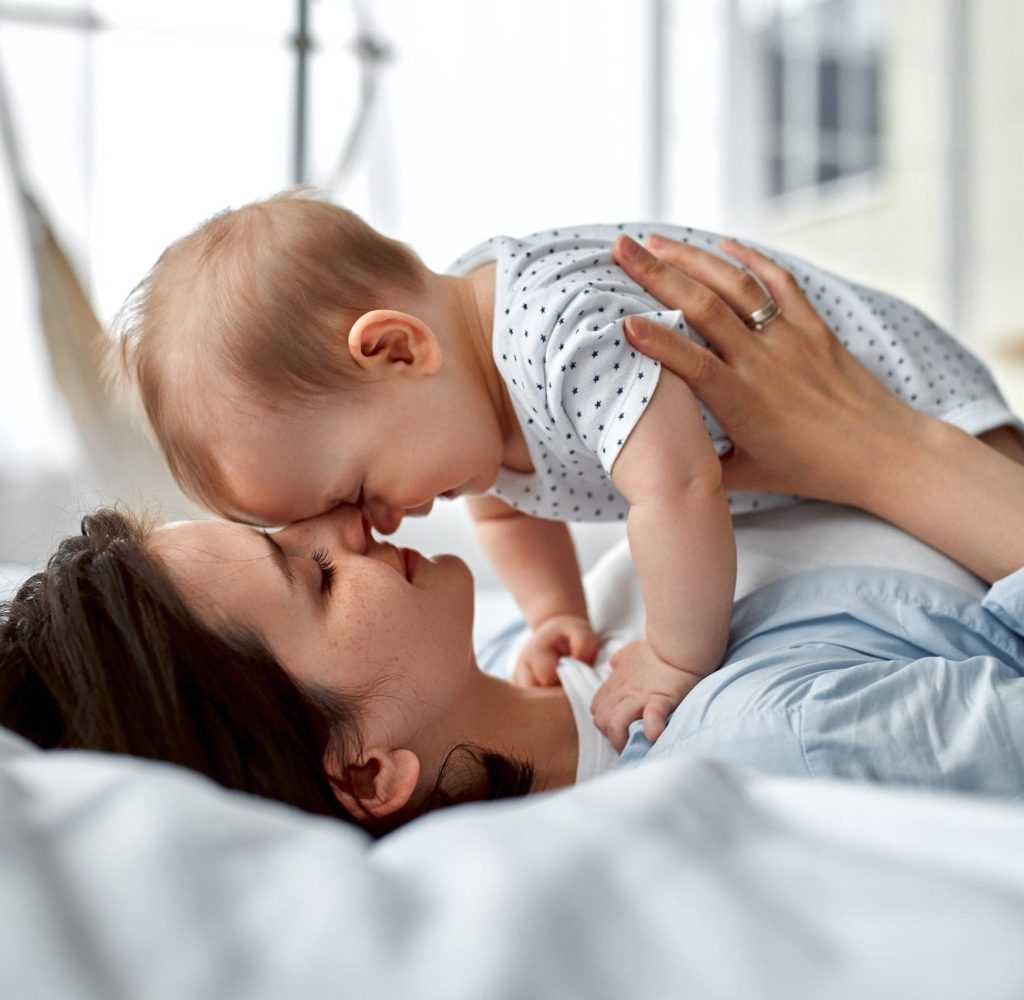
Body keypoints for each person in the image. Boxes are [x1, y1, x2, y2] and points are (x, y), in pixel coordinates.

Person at [4, 236, 1024, 839]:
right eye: (308, 571)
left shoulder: (523, 648)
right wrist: (884, 454)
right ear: (364, 773)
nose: (347, 525)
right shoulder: (762, 736)